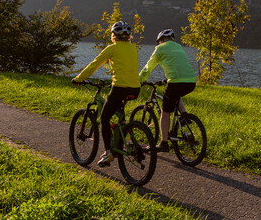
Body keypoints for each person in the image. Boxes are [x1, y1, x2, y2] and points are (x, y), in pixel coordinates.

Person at [72, 21, 141, 167]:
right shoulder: (133, 49)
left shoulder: (112, 48)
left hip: (120, 88)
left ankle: (109, 152)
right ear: (129, 36)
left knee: (104, 118)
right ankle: (121, 136)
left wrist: (78, 79)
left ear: (113, 35)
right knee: (119, 116)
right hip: (135, 88)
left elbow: (94, 64)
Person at [139, 29, 197, 152]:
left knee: (165, 113)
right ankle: (184, 116)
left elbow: (148, 67)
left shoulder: (160, 48)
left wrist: (139, 80)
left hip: (177, 82)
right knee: (176, 94)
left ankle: (164, 143)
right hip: (191, 82)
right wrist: (167, 79)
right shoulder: (179, 47)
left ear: (161, 41)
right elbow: (177, 65)